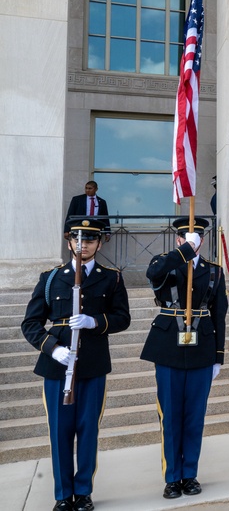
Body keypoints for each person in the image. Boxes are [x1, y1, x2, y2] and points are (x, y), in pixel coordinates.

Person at [22, 219, 131, 511]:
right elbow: (31, 323)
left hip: (92, 365)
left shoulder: (111, 278)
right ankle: (62, 495)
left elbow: (122, 318)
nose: (83, 245)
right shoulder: (51, 278)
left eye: (90, 240)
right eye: (78, 240)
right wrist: (52, 348)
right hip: (57, 366)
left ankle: (83, 492)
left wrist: (95, 321)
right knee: (59, 432)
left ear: (99, 243)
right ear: (69, 241)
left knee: (87, 431)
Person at [143, 217, 227, 499]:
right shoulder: (166, 262)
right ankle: (171, 476)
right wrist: (183, 253)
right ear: (178, 239)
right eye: (185, 238)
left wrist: (218, 357)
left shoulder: (213, 271)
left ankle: (189, 474)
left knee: (194, 416)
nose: (192, 242)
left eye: (196, 239)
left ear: (202, 240)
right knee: (170, 415)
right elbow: (153, 274)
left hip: (201, 347)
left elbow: (219, 315)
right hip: (168, 346)